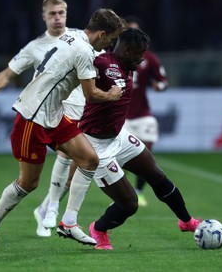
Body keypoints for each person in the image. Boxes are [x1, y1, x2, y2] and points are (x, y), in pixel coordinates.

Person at [0, 2, 124, 252]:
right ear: (101, 34)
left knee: (89, 159)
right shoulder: (84, 51)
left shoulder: (70, 35)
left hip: (54, 115)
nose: (108, 46)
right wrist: (113, 95)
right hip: (33, 118)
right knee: (28, 184)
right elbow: (92, 94)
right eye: (110, 40)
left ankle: (69, 221)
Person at [57, 28, 201, 250]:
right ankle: (99, 229)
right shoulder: (101, 63)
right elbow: (77, 70)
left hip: (119, 137)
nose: (142, 58)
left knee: (157, 175)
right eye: (139, 53)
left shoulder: (128, 64)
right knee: (130, 204)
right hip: (96, 146)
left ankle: (187, 221)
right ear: (126, 49)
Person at [123, 16, 169, 207]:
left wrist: (160, 86)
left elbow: (163, 81)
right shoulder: (114, 56)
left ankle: (139, 191)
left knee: (146, 154)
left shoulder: (148, 58)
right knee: (117, 157)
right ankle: (122, 192)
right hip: (121, 114)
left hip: (142, 113)